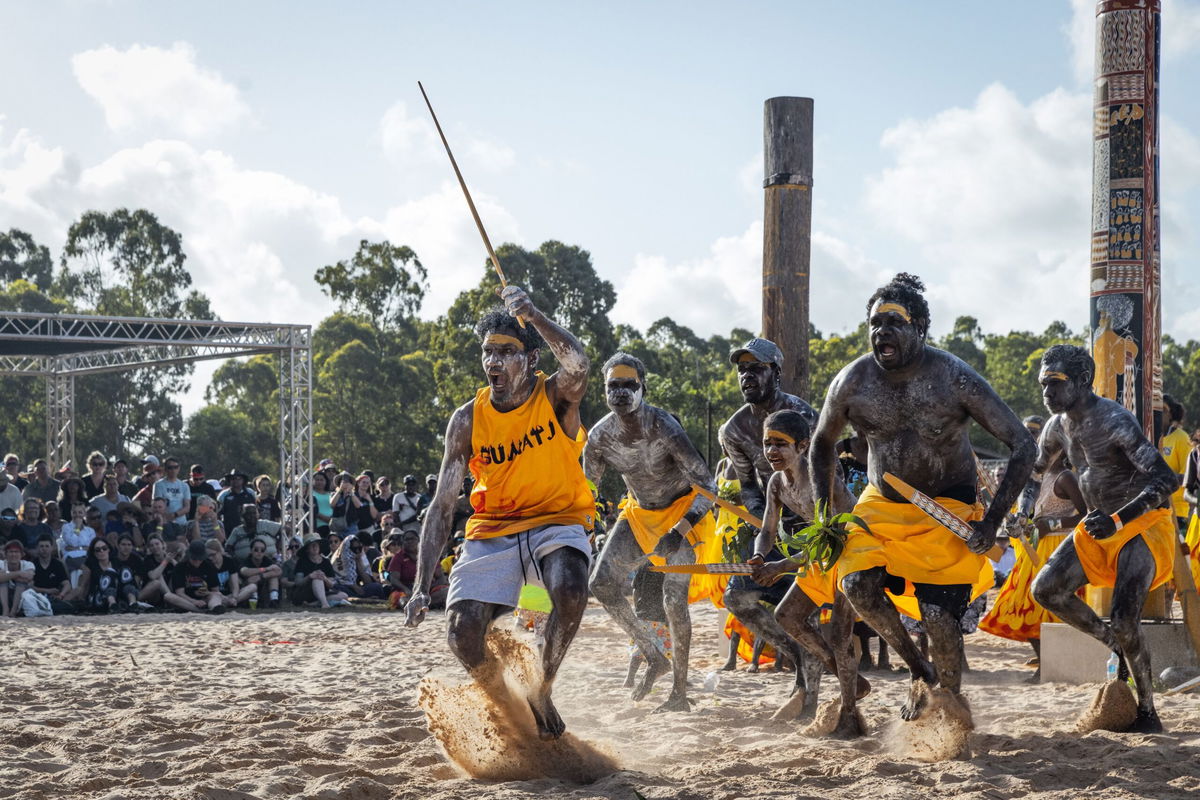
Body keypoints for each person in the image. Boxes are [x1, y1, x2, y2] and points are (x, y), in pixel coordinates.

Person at [810, 273, 1036, 721]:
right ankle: (918, 668)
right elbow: (820, 444)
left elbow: (1022, 444)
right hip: (882, 504)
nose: (882, 332)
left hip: (948, 507)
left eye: (894, 322)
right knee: (856, 583)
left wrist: (991, 520)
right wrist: (825, 516)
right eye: (875, 323)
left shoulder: (955, 378)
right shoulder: (853, 382)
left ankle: (949, 703)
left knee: (938, 614)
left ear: (920, 330)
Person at [405, 286, 594, 741]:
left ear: (530, 359)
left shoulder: (555, 396)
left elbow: (580, 364)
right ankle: (507, 703)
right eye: (488, 352)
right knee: (461, 633)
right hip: (494, 530)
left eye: (506, 352)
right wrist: (419, 585)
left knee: (569, 587)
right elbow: (444, 503)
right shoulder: (467, 419)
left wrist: (536, 315)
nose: (494, 362)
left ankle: (541, 686)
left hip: (557, 520)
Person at [1029, 345, 1179, 732]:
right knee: (1045, 590)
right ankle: (1111, 640)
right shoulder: (1055, 426)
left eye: (1055, 382)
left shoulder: (1114, 420)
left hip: (1140, 523)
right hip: (1099, 526)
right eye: (1043, 382)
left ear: (1082, 381)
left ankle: (1148, 709)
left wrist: (1119, 519)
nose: (1047, 391)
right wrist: (1005, 513)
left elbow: (1166, 480)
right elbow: (1032, 470)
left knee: (1127, 618)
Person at [584, 352, 717, 711]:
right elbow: (585, 493)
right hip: (639, 515)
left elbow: (709, 486)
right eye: (614, 385)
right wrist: (585, 527)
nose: (621, 393)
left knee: (674, 600)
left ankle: (679, 692)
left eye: (630, 385)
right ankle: (652, 654)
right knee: (601, 584)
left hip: (682, 513)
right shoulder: (598, 437)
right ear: (604, 391)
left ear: (643, 388)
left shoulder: (664, 427)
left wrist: (680, 529)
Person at [748, 409, 870, 734]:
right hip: (824, 552)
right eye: (767, 443)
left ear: (803, 446)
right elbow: (767, 529)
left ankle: (849, 714)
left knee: (841, 634)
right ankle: (845, 675)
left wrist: (781, 566)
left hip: (853, 550)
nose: (772, 451)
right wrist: (760, 555)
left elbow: (831, 535)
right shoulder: (776, 481)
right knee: (787, 616)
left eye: (780, 444)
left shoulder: (820, 476)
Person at [717, 337, 820, 690]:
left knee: (809, 607)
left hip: (816, 524)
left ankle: (808, 684)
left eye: (756, 368)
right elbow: (748, 485)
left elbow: (826, 470)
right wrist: (765, 527)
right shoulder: (733, 430)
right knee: (736, 596)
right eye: (742, 370)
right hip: (772, 522)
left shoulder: (804, 415)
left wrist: (819, 525)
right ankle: (795, 654)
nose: (747, 376)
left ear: (775, 372)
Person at [979, 453, 1086, 682]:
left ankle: (1056, 667)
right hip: (1038, 547)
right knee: (1022, 601)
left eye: (1047, 449)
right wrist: (1024, 525)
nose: (1041, 454)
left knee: (1051, 609)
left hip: (1060, 548)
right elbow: (1036, 517)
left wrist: (1054, 524)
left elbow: (1088, 515)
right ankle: (1046, 665)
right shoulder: (1039, 480)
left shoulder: (1067, 477)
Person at [165, 539, 224, 613]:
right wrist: (194, 601)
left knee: (217, 595)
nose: (197, 561)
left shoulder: (209, 565)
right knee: (168, 596)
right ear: (189, 556)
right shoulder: (180, 567)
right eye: (194, 559)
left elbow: (215, 590)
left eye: (200, 559)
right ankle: (201, 611)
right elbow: (179, 593)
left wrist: (207, 593)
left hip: (205, 599)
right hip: (186, 600)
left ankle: (215, 608)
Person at [1160, 394, 1191, 536]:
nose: (1157, 414)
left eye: (1161, 410)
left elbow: (1188, 478)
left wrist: (1162, 478)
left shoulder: (1182, 438)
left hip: (1177, 510)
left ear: (1170, 414)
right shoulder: (1150, 437)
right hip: (1156, 509)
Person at [292, 533, 350, 608]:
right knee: (317, 579)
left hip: (323, 592)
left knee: (344, 595)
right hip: (305, 592)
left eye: (316, 545)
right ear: (307, 549)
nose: (315, 547)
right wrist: (310, 576)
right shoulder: (302, 562)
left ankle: (315, 603)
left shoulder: (326, 562)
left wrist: (324, 578)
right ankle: (324, 604)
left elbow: (332, 584)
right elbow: (298, 582)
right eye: (312, 545)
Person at [332, 532, 385, 598]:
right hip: (344, 588)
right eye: (362, 546)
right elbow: (339, 579)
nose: (364, 549)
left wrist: (358, 561)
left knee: (376, 587)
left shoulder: (363, 556)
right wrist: (353, 586)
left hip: (357, 589)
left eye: (367, 546)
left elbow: (368, 582)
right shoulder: (342, 556)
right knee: (339, 588)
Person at [206, 539, 256, 607]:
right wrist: (226, 599)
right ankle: (227, 604)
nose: (210, 558)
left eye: (213, 555)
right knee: (215, 597)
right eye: (208, 555)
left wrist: (234, 597)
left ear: (220, 551)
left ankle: (229, 603)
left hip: (230, 594)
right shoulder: (207, 564)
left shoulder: (229, 561)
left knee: (252, 587)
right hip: (216, 595)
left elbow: (235, 585)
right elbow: (215, 590)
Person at [31, 533, 73, 613]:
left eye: (47, 546)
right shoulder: (32, 564)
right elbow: (30, 587)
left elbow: (67, 584)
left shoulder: (58, 564)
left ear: (52, 548)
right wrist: (47, 590)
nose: (44, 549)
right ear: (37, 548)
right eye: (41, 546)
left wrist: (61, 595)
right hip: (37, 597)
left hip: (55, 598)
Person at [78, 537, 119, 613]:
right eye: (98, 550)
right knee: (108, 573)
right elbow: (84, 585)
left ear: (109, 549)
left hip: (116, 595)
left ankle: (118, 603)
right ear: (94, 553)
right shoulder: (90, 565)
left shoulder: (116, 562)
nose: (102, 551)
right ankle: (112, 603)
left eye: (104, 548)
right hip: (98, 597)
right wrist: (81, 601)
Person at [239, 539, 283, 608]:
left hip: (264, 588)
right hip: (249, 589)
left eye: (262, 550)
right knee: (252, 580)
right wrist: (265, 569)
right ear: (251, 551)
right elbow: (244, 572)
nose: (259, 552)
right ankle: (253, 603)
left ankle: (274, 601)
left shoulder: (267, 560)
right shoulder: (246, 561)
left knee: (273, 577)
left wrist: (261, 576)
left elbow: (279, 571)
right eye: (256, 549)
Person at [60, 502, 96, 581]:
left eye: (80, 512)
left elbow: (92, 548)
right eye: (74, 512)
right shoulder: (66, 527)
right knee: (87, 568)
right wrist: (77, 528)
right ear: (71, 513)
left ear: (84, 514)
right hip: (71, 557)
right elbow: (73, 542)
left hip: (86, 557)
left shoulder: (90, 530)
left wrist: (77, 548)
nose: (77, 515)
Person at [111, 534, 148, 610]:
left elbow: (137, 581)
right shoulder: (111, 558)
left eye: (129, 545)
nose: (126, 547)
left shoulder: (137, 559)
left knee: (155, 583)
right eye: (123, 544)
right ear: (118, 546)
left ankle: (132, 604)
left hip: (132, 590)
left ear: (132, 547)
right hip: (115, 589)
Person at [0, 539, 34, 617]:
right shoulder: (1, 563)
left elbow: (29, 577)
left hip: (22, 596)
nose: (13, 554)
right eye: (11, 552)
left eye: (16, 552)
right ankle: (6, 610)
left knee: (21, 583)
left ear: (22, 554)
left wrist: (7, 575)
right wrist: (19, 573)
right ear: (6, 554)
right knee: (3, 582)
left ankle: (13, 611)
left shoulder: (28, 564)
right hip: (3, 595)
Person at [217, 470, 256, 535]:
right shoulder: (223, 495)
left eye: (239, 478)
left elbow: (256, 510)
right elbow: (218, 514)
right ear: (230, 480)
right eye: (233, 478)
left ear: (243, 480)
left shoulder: (251, 493)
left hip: (248, 529)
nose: (236, 481)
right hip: (229, 530)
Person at [311, 470, 333, 536]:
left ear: (326, 481)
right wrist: (328, 520)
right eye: (317, 480)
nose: (319, 482)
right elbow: (314, 511)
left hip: (332, 526)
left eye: (322, 480)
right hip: (318, 526)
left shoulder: (331, 494)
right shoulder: (310, 494)